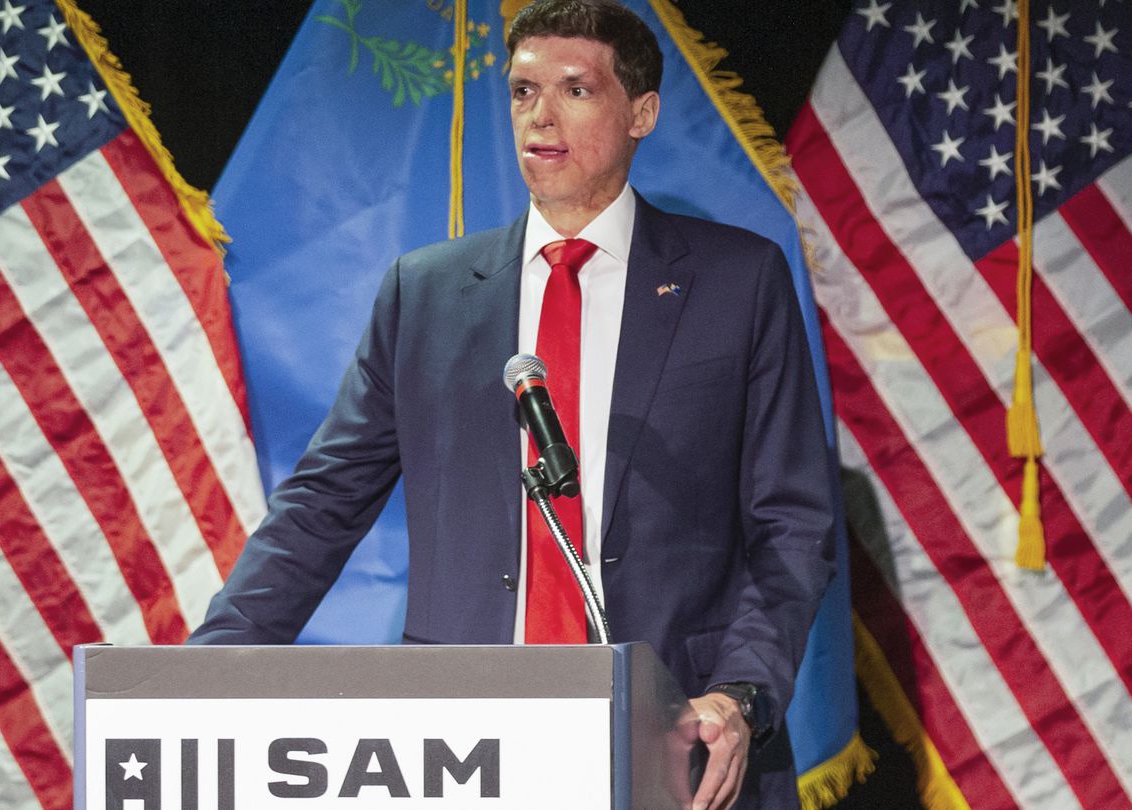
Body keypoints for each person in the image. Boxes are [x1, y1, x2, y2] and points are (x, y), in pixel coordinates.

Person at [189, 1, 836, 807]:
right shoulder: (424, 292)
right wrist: (205, 670)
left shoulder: (738, 282)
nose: (541, 116)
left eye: (576, 90)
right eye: (523, 91)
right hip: (466, 744)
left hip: (677, 732)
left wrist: (741, 693)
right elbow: (322, 504)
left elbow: (793, 523)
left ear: (642, 112)